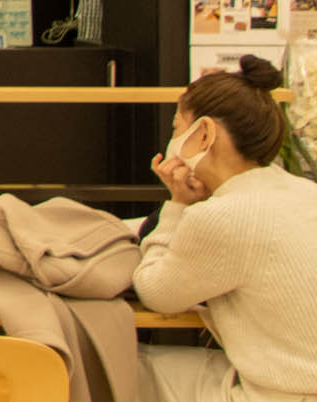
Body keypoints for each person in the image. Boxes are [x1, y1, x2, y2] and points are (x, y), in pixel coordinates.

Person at [134, 56, 317, 402]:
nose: (171, 141)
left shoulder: (222, 216)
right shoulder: (305, 191)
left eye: (176, 128)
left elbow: (155, 292)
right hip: (295, 383)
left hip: (282, 394)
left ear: (203, 134)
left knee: (123, 366)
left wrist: (177, 203)